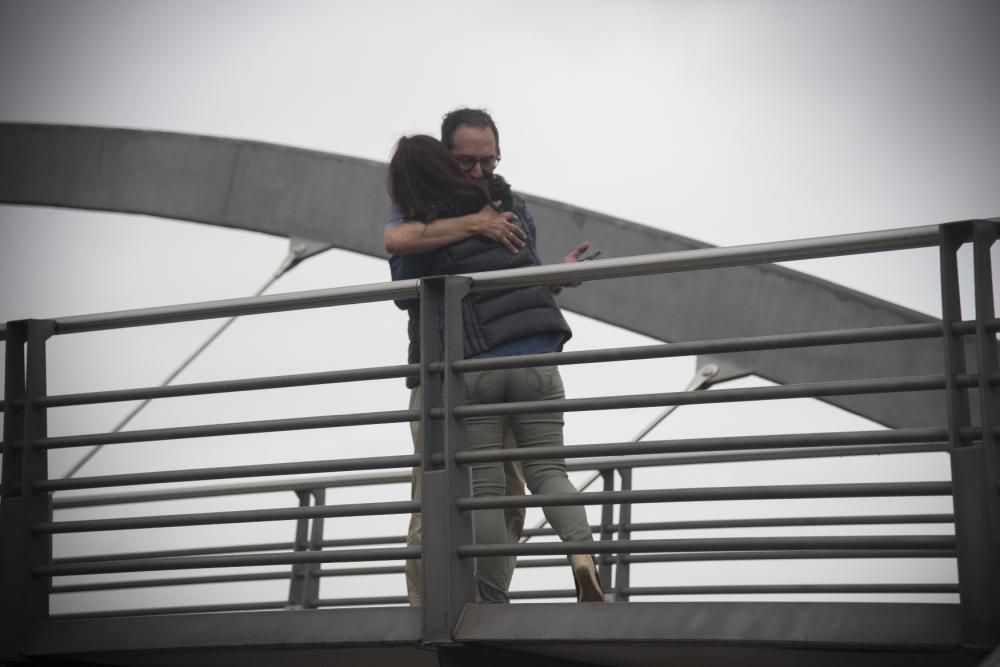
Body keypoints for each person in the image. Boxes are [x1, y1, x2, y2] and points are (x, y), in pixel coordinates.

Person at [385, 126, 602, 604]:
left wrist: (544, 277)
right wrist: (539, 273)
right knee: (545, 471)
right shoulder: (496, 202)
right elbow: (512, 273)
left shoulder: (438, 211)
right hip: (532, 357)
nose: (480, 171)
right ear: (446, 158)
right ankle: (582, 555)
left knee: (482, 488)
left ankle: (484, 602)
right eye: (467, 162)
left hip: (472, 364)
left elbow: (402, 269)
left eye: (489, 161)